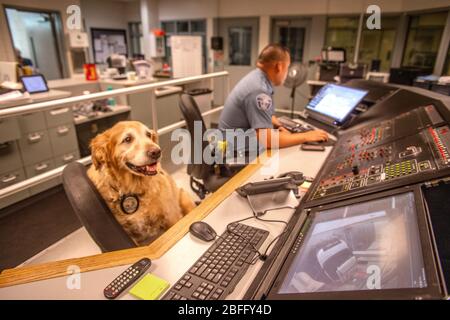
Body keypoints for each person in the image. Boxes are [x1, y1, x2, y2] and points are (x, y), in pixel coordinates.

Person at [219, 43, 328, 150]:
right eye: (287, 67)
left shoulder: (257, 78)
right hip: (234, 150)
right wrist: (305, 136)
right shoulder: (259, 90)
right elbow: (265, 139)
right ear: (279, 66)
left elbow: (263, 115)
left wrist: (276, 124)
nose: (287, 72)